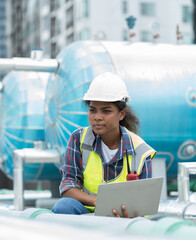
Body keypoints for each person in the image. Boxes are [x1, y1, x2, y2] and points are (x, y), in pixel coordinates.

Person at [51, 72, 156, 217]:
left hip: (123, 220)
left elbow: (144, 204)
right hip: (86, 215)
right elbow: (68, 186)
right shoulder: (78, 140)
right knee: (64, 206)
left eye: (106, 111)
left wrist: (127, 216)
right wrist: (96, 201)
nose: (97, 117)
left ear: (121, 114)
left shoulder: (140, 151)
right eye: (92, 110)